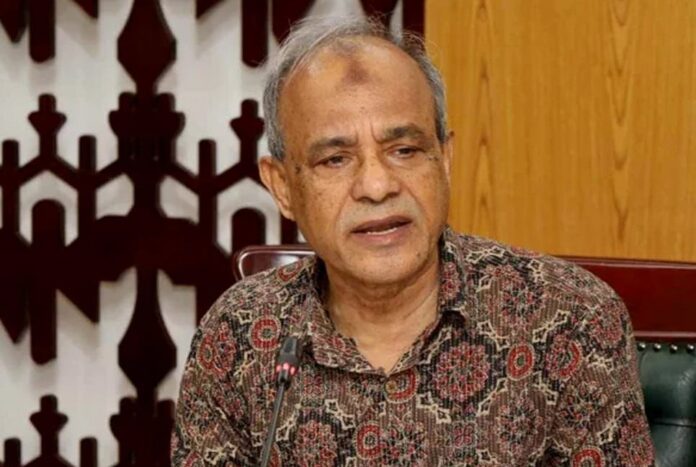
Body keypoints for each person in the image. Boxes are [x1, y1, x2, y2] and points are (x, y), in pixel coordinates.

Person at [172, 16, 655, 466]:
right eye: (335, 160)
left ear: (444, 160)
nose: (377, 186)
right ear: (282, 187)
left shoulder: (570, 319)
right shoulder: (238, 334)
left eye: (404, 150)